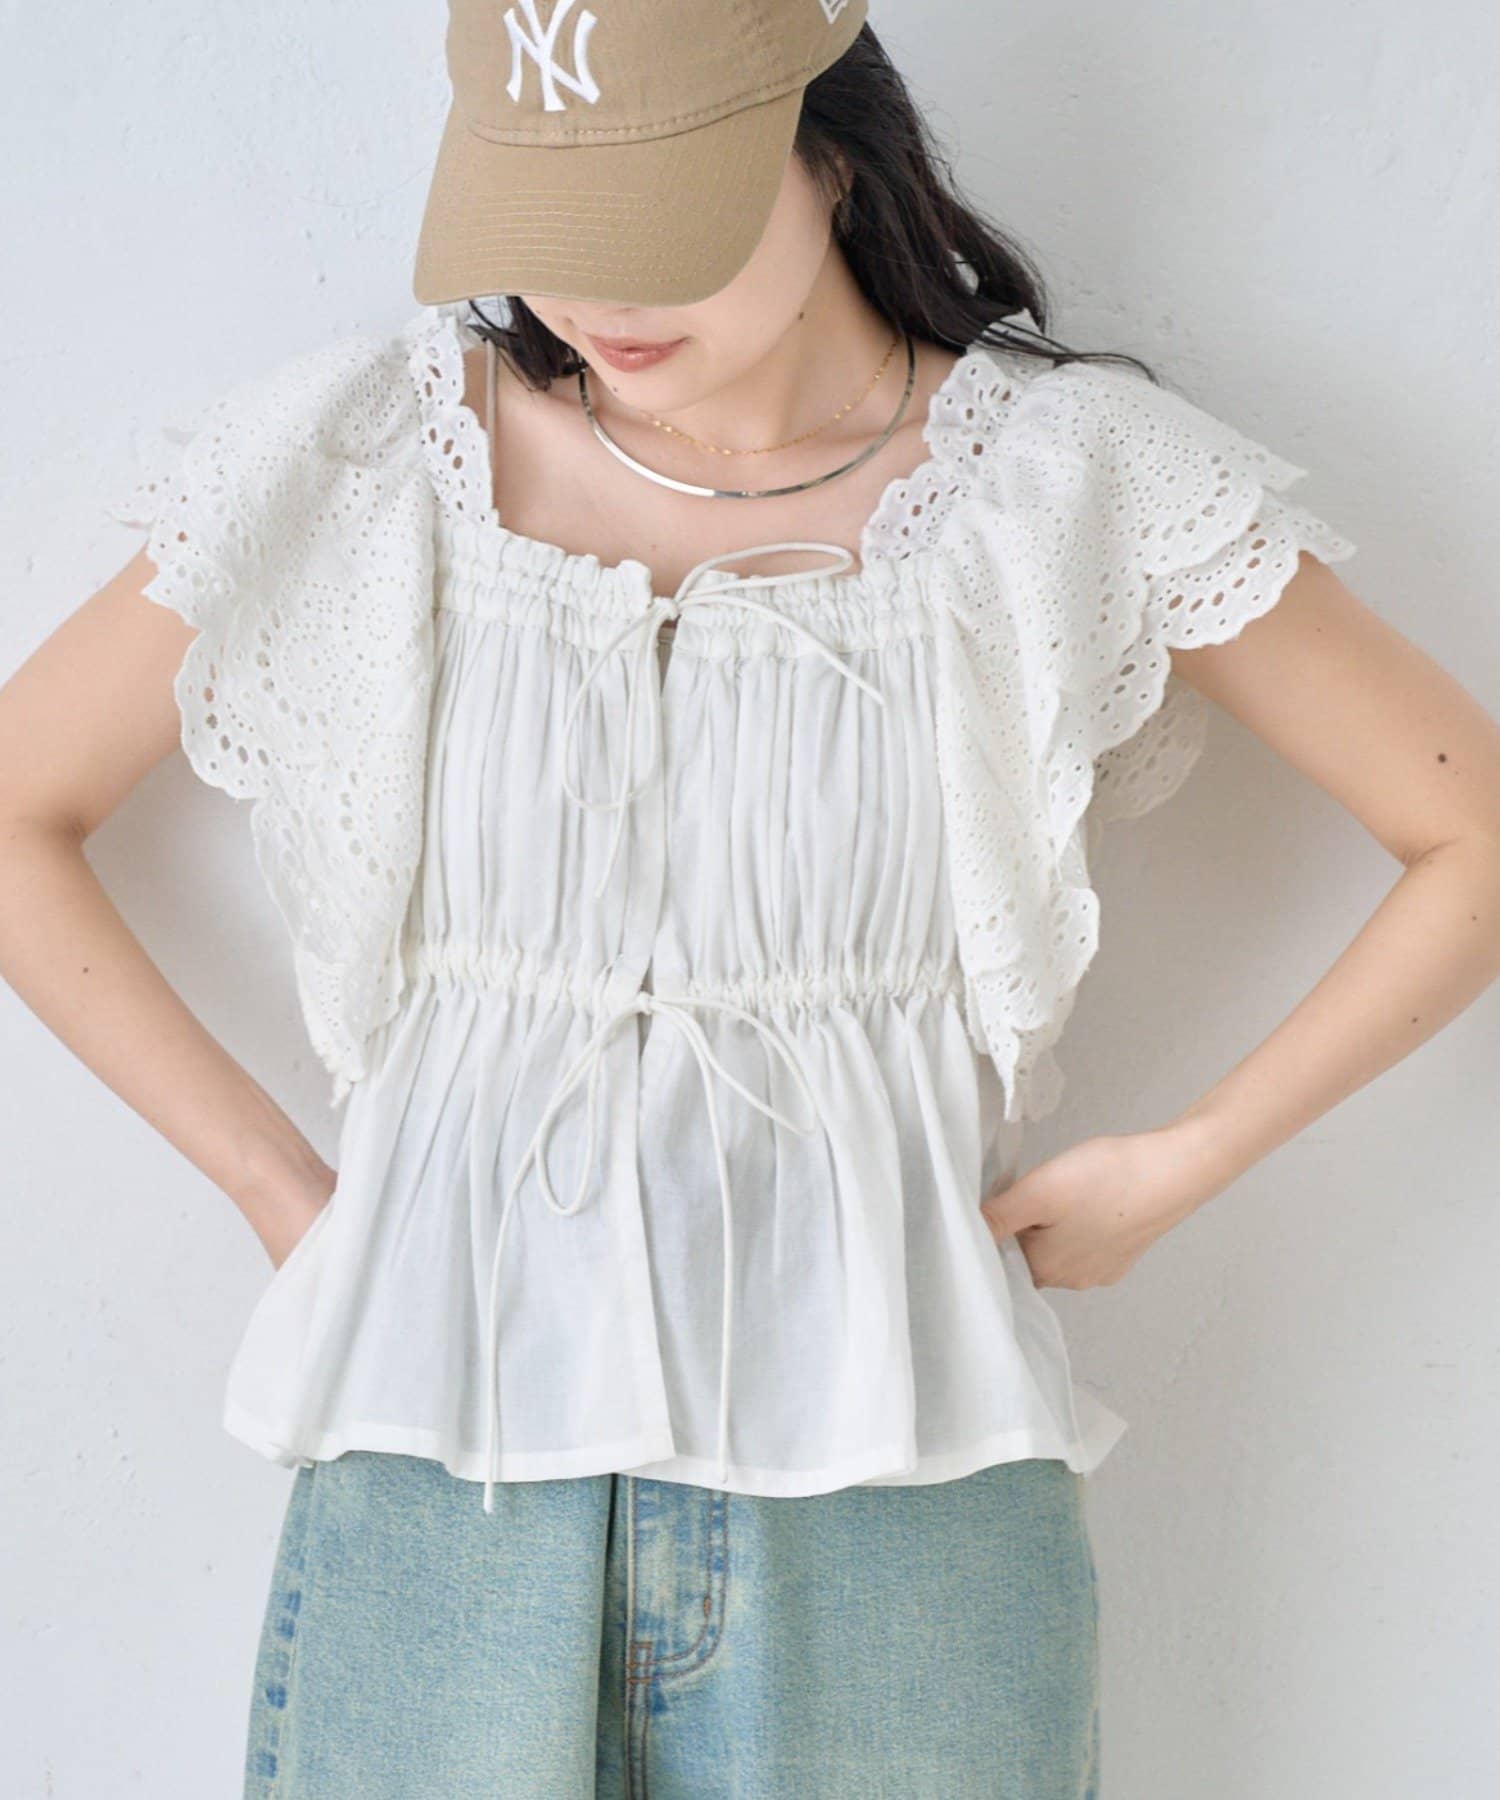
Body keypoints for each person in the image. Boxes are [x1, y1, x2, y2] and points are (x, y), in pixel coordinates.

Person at [5, 1, 1499, 1794]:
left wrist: (1175, 1170)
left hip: (901, 1481)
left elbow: (1470, 832)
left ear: (832, 151)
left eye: (660, 223)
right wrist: (279, 1191)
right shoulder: (379, 457)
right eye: (546, 226)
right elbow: (20, 808)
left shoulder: (1061, 482)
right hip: (434, 1463)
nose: (598, 297)